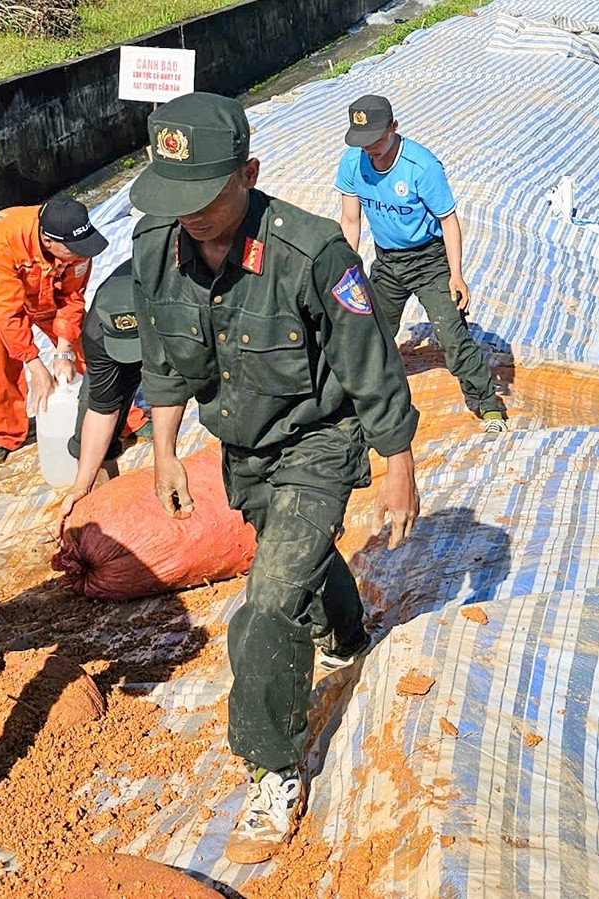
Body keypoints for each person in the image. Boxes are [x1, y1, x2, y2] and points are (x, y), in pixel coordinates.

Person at [128, 92, 422, 864]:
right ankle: (349, 633)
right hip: (245, 450)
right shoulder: (156, 245)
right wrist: (163, 452)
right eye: (174, 198)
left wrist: (399, 465)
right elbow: (163, 363)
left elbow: (370, 363)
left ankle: (272, 767)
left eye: (204, 198)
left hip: (319, 442)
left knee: (265, 603)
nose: (188, 215)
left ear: (249, 174)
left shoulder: (311, 251)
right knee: (295, 564)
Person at [335, 94, 508, 430]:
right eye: (362, 142)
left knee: (452, 336)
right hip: (387, 264)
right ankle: (367, 403)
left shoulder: (421, 166)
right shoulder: (352, 163)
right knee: (372, 333)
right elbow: (350, 220)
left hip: (430, 261)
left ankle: (489, 405)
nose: (369, 149)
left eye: (376, 140)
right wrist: (347, 269)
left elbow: (448, 220)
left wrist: (456, 275)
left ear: (394, 128)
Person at [0, 196, 109, 467]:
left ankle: (124, 418)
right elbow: (8, 311)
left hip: (49, 293)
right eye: (76, 249)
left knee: (92, 349)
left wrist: (64, 351)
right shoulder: (3, 237)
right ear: (48, 242)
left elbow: (72, 298)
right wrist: (34, 364)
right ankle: (4, 434)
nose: (84, 254)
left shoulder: (77, 249)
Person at [54, 260, 146, 532]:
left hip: (175, 326)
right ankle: (109, 513)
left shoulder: (185, 302)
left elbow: (170, 392)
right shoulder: (97, 333)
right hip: (114, 343)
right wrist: (81, 487)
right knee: (92, 433)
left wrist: (166, 458)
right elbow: (102, 407)